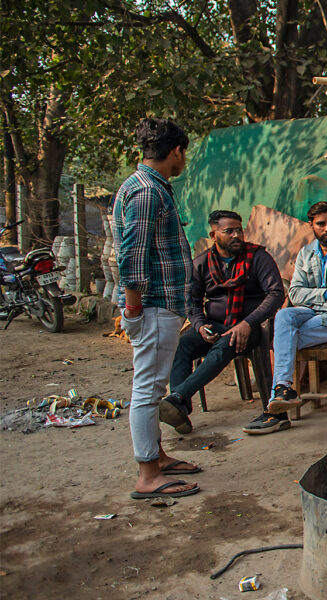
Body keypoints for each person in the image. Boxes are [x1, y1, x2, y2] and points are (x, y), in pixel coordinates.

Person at [114, 117, 200, 500]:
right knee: (147, 391)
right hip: (152, 307)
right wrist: (133, 310)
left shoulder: (145, 186)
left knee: (152, 386)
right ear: (176, 152)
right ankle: (148, 475)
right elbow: (132, 257)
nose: (184, 161)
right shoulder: (148, 192)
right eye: (185, 154)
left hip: (154, 307)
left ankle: (158, 457)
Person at [157, 210, 285, 434]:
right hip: (214, 324)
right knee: (182, 345)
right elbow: (192, 301)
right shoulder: (202, 263)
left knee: (226, 344)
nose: (236, 235)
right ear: (214, 234)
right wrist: (199, 325)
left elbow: (275, 294)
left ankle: (177, 398)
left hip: (250, 327)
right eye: (229, 231)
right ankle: (180, 410)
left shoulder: (258, 257)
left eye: (239, 230)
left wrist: (248, 322)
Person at [254, 201, 327, 428]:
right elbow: (296, 294)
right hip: (313, 317)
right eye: (321, 224)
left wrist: (314, 302)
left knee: (284, 339)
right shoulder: (306, 254)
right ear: (312, 226)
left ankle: (276, 410)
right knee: (283, 318)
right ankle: (282, 392)